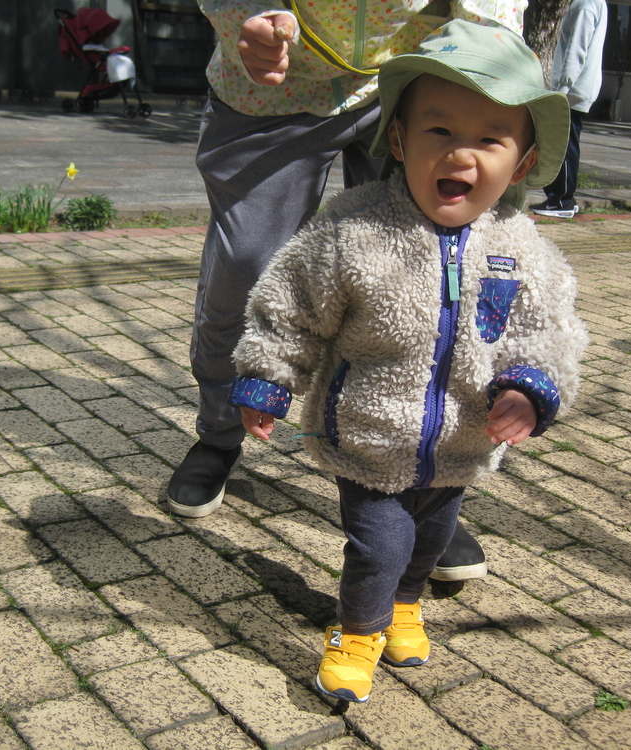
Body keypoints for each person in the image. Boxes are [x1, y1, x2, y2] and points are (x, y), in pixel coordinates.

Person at [228, 19, 587, 703]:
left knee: (429, 542)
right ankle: (358, 629)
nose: (461, 155)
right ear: (399, 140)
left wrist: (531, 389)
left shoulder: (521, 245)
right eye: (440, 131)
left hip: (460, 443)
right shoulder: (353, 229)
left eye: (489, 138)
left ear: (522, 158)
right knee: (381, 545)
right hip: (367, 435)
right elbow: (290, 304)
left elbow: (552, 331)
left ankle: (405, 607)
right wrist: (267, 376)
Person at [168, 0, 525, 584]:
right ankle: (218, 434)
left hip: (425, 76)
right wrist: (247, 14)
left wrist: (493, 60)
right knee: (247, 272)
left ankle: (427, 487)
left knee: (429, 279)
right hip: (275, 81)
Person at [529, 0, 608, 218]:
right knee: (567, 142)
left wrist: (562, 88)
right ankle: (561, 199)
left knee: (563, 144)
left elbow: (577, 48)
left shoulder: (585, 4)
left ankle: (561, 200)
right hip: (577, 87)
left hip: (572, 89)